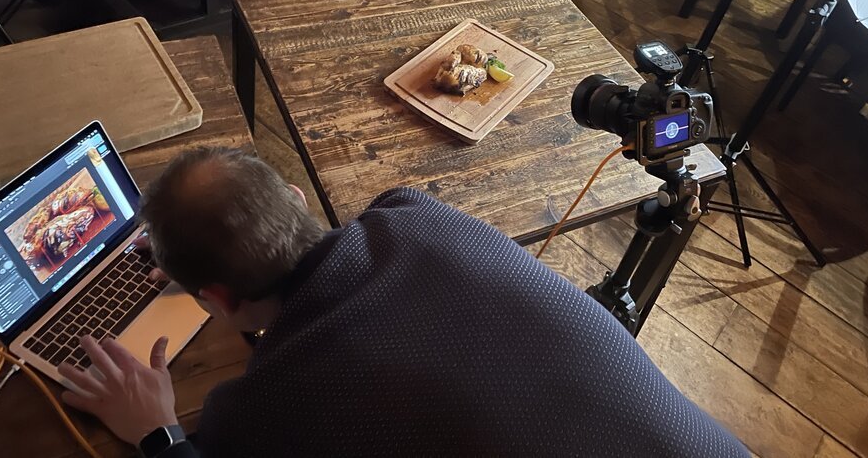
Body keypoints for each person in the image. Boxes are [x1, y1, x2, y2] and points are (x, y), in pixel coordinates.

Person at [59, 147, 749, 457]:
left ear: (212, 297)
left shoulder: (263, 410)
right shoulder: (413, 212)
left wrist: (155, 431)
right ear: (295, 200)